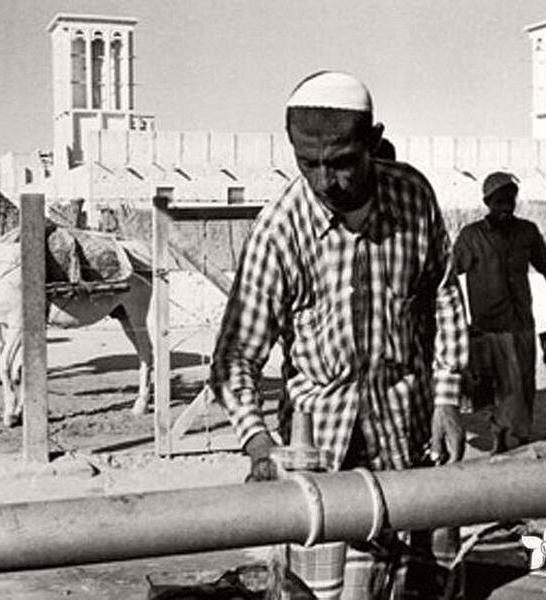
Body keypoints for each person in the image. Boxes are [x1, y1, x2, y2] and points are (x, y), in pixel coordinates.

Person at [210, 71, 469, 599]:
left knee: (422, 588)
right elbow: (235, 357)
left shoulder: (414, 199)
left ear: (373, 141)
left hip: (411, 445)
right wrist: (260, 445)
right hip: (322, 465)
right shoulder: (281, 228)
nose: (325, 180)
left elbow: (443, 296)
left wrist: (447, 400)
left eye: (341, 162)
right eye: (309, 164)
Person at [453, 171, 546, 453]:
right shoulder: (471, 236)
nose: (506, 205)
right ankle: (502, 443)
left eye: (510, 199)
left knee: (522, 387)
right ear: (487, 202)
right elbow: (447, 275)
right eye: (499, 200)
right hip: (488, 327)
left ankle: (515, 445)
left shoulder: (528, 232)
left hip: (520, 325)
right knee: (494, 392)